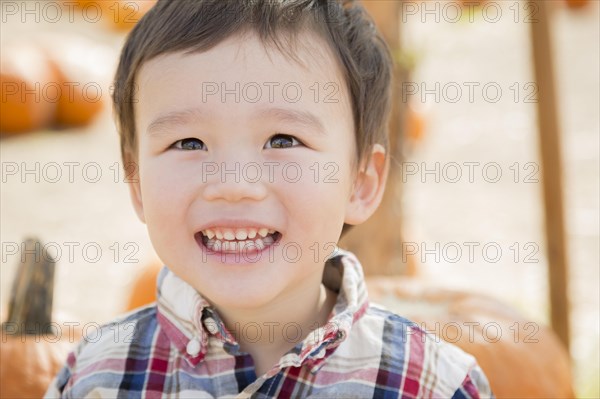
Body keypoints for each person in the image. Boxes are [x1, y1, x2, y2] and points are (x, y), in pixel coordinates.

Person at [46, 0, 493, 397]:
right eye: (188, 143)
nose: (234, 183)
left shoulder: (433, 384)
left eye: (282, 140)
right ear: (137, 181)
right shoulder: (95, 374)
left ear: (361, 182)